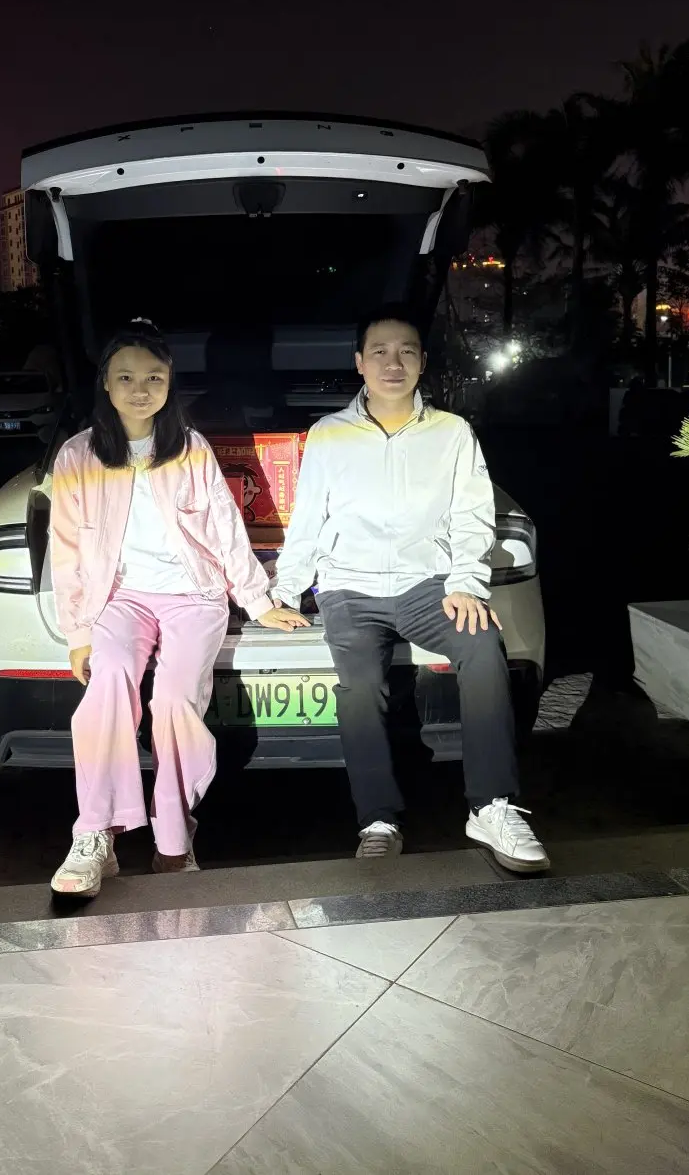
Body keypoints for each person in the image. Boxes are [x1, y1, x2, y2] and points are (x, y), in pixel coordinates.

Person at [272, 305, 549, 872]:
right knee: (359, 686)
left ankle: (491, 806)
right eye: (379, 351)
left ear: (422, 362)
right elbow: (309, 518)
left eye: (405, 352)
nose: (392, 363)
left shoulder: (452, 432)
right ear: (359, 362)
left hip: (428, 587)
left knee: (481, 647)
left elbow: (472, 514)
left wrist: (466, 583)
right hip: (349, 588)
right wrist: (287, 590)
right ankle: (378, 819)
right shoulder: (328, 434)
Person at [49, 321, 308, 896]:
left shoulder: (190, 448)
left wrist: (257, 600)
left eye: (154, 378)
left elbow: (225, 528)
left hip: (194, 595)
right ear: (106, 383)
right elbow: (65, 549)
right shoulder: (78, 455)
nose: (140, 389)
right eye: (126, 378)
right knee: (110, 679)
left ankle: (173, 839)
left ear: (170, 384)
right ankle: (95, 834)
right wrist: (78, 631)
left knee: (173, 699)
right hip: (118, 598)